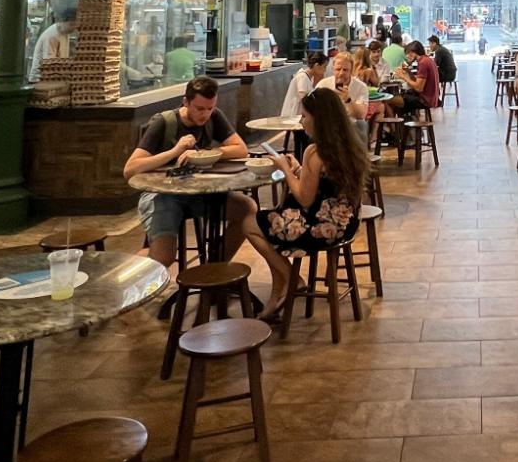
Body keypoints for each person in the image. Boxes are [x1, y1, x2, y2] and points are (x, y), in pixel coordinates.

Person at [232, 87, 370, 319]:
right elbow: (324, 189)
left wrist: (286, 169)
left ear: (320, 119)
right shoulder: (349, 146)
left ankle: (292, 278)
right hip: (346, 224)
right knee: (272, 222)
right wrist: (299, 171)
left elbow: (305, 198)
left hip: (318, 228)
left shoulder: (315, 152)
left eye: (305, 115)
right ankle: (277, 297)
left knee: (250, 222)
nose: (301, 120)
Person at [121, 77, 254, 269]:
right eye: (199, 108)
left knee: (247, 210)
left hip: (200, 192)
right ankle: (133, 289)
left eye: (210, 108)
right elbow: (130, 169)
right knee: (163, 258)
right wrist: (175, 152)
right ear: (186, 102)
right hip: (163, 195)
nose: (205, 114)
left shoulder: (214, 116)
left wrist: (204, 153)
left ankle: (212, 271)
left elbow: (241, 149)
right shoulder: (164, 122)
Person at [320, 51, 370, 119]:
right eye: (338, 69)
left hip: (351, 123)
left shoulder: (361, 86)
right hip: (328, 122)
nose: (341, 73)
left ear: (351, 70)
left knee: (361, 125)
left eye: (345, 70)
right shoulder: (323, 84)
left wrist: (348, 100)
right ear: (333, 69)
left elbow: (361, 115)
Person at [397, 40, 441, 114]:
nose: (407, 56)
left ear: (414, 52)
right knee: (403, 97)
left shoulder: (423, 63)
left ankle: (400, 123)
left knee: (397, 100)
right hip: (432, 97)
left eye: (408, 53)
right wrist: (408, 72)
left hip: (425, 100)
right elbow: (418, 82)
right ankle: (408, 120)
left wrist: (403, 76)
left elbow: (419, 88)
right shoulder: (427, 60)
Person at [29, 9, 75, 78]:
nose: (73, 28)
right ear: (63, 21)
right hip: (40, 79)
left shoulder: (65, 33)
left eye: (75, 25)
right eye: (71, 24)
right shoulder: (52, 36)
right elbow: (49, 63)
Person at [280, 52, 328, 117]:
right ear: (317, 65)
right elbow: (304, 99)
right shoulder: (302, 77)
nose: (325, 70)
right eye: (324, 67)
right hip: (293, 116)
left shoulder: (310, 77)